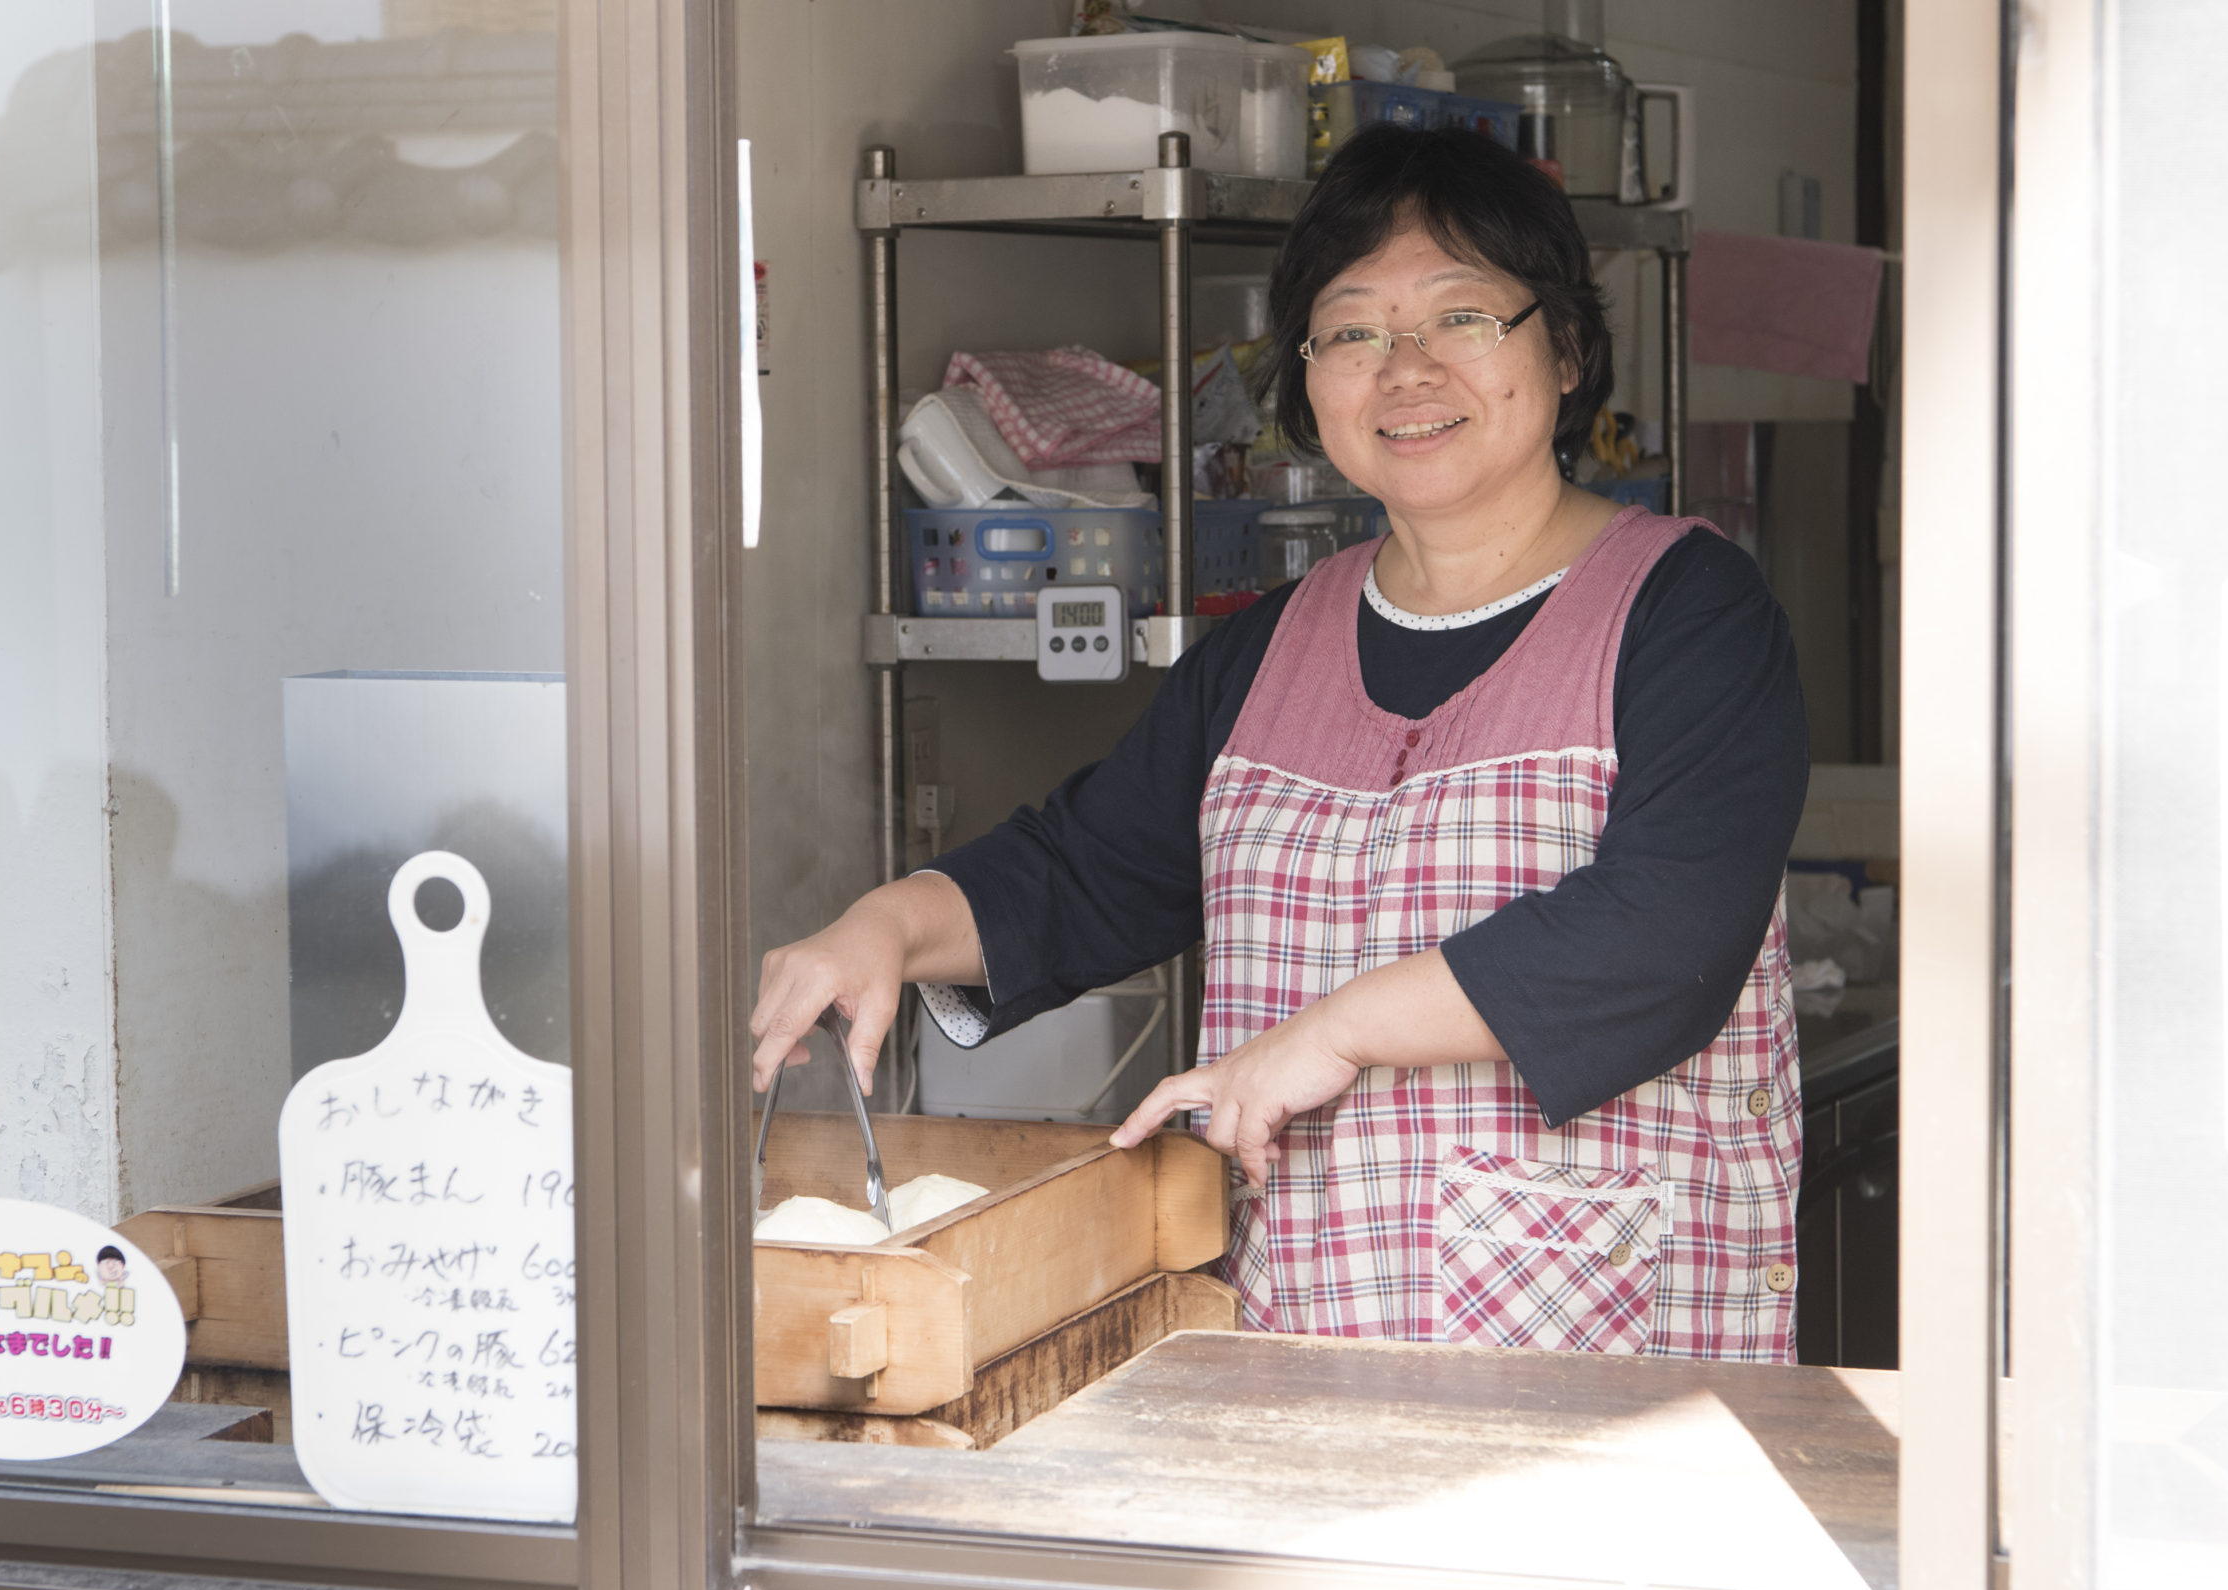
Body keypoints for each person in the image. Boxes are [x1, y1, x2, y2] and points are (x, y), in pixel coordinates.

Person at [749, 124, 1809, 1362]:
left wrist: (1337, 1029)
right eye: (1352, 331)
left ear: (1564, 348)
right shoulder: (1270, 651)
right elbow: (1086, 867)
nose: (1404, 369)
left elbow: (1664, 935)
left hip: (1617, 1379)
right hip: (1306, 1365)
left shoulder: (1687, 612)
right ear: (1309, 381)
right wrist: (881, 926)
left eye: (1461, 317)